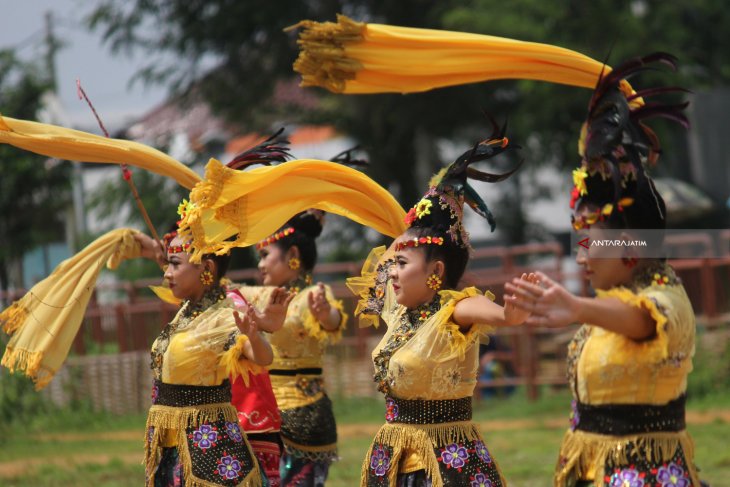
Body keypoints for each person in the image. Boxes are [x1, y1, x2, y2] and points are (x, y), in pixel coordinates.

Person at [505, 54, 703, 487]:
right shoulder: (606, 304)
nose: (580, 257)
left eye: (588, 243)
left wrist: (576, 307)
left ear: (628, 247)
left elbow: (642, 321)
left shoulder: (666, 298)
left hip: (644, 474)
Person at [347, 126, 537, 487]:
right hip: (394, 458)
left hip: (445, 464)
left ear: (436, 271)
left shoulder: (454, 311)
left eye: (403, 264)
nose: (392, 272)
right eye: (395, 263)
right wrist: (431, 206)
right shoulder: (398, 311)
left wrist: (510, 315)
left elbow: (489, 311)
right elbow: (380, 268)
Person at [136, 229, 275, 487]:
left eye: (175, 264)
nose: (166, 273)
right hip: (171, 448)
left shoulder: (224, 314)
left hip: (209, 451)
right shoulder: (187, 312)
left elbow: (262, 356)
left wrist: (255, 337)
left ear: (207, 267)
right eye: (167, 264)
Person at [232, 210, 346, 487]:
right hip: (263, 413)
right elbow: (221, 290)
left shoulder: (313, 295)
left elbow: (332, 321)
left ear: (292, 254)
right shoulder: (261, 294)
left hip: (303, 414)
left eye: (265, 255)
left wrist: (326, 313)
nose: (260, 265)